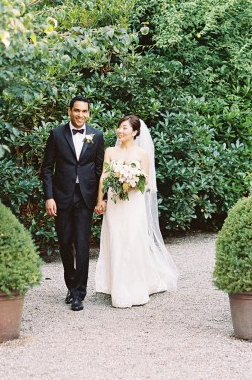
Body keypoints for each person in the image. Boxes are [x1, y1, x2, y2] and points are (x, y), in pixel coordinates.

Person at [94, 115, 178, 309]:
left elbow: (146, 183)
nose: (120, 131)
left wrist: (130, 182)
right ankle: (117, 287)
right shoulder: (110, 151)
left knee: (132, 241)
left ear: (135, 132)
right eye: (119, 127)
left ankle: (136, 287)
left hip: (133, 204)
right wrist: (100, 200)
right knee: (116, 240)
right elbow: (104, 177)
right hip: (115, 204)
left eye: (125, 128)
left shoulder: (142, 154)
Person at [41, 96, 105, 312]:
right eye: (76, 111)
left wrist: (100, 198)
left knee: (82, 244)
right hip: (61, 197)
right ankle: (70, 284)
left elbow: (100, 171)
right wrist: (49, 197)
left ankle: (79, 293)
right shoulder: (56, 134)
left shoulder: (97, 135)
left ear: (88, 113)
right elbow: (47, 168)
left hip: (85, 198)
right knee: (65, 243)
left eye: (84, 111)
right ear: (69, 111)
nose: (80, 115)